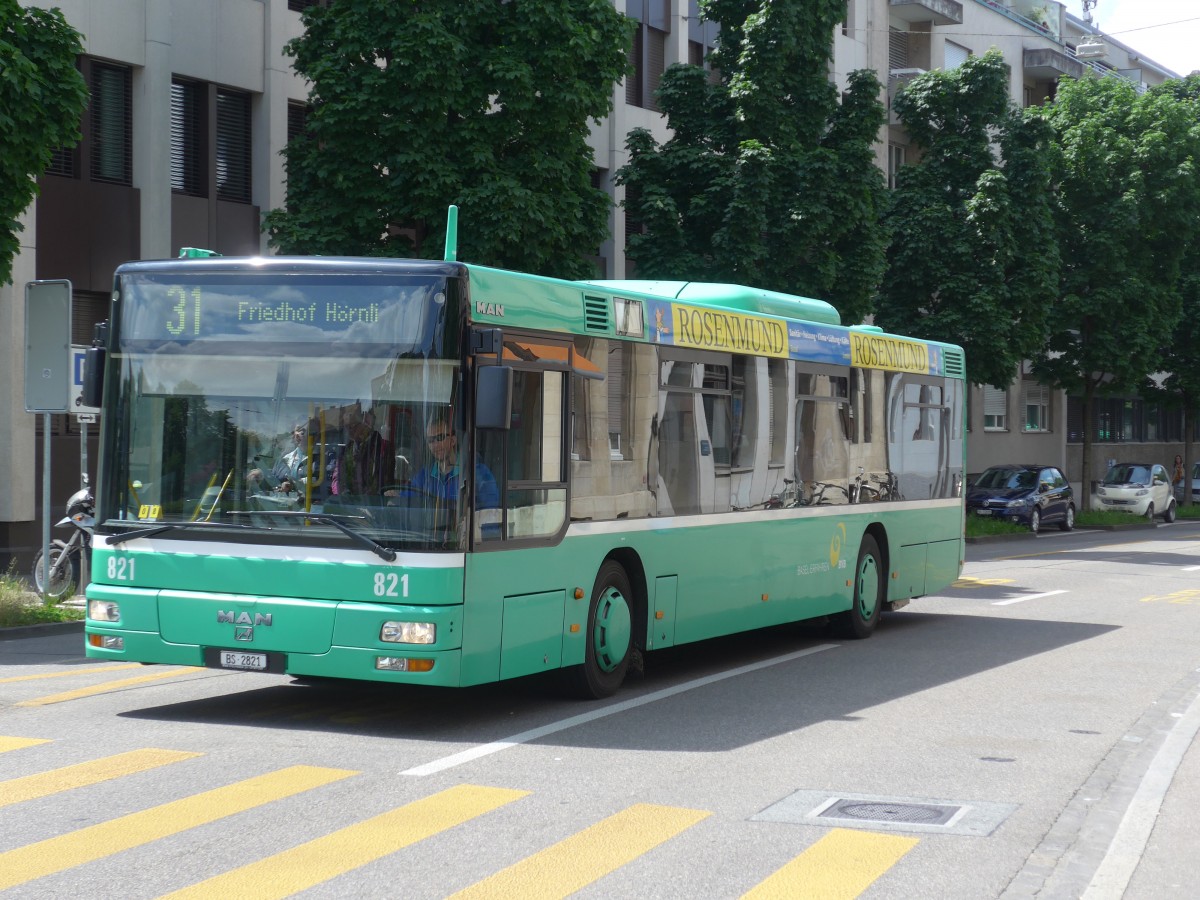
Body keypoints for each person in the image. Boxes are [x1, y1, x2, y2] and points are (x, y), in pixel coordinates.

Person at [407, 410, 499, 511]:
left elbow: (491, 513)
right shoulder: (424, 475)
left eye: (440, 437)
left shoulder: (477, 473)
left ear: (453, 440)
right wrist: (394, 499)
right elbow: (406, 497)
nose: (435, 445)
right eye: (430, 440)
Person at [333, 406, 393, 496]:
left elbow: (384, 479)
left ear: (366, 423)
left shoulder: (382, 447)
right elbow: (337, 477)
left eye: (352, 426)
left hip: (373, 504)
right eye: (346, 427)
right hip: (349, 504)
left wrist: (366, 499)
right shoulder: (346, 449)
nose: (349, 431)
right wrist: (343, 493)